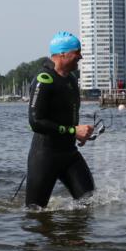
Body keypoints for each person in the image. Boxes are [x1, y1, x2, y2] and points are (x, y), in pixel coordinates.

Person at [25, 31, 95, 208]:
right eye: (77, 52)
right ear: (62, 53)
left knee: (89, 203)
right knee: (35, 213)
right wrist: (73, 131)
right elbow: (36, 122)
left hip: (69, 154)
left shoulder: (71, 79)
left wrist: (79, 134)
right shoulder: (44, 79)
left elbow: (70, 115)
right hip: (45, 156)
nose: (80, 57)